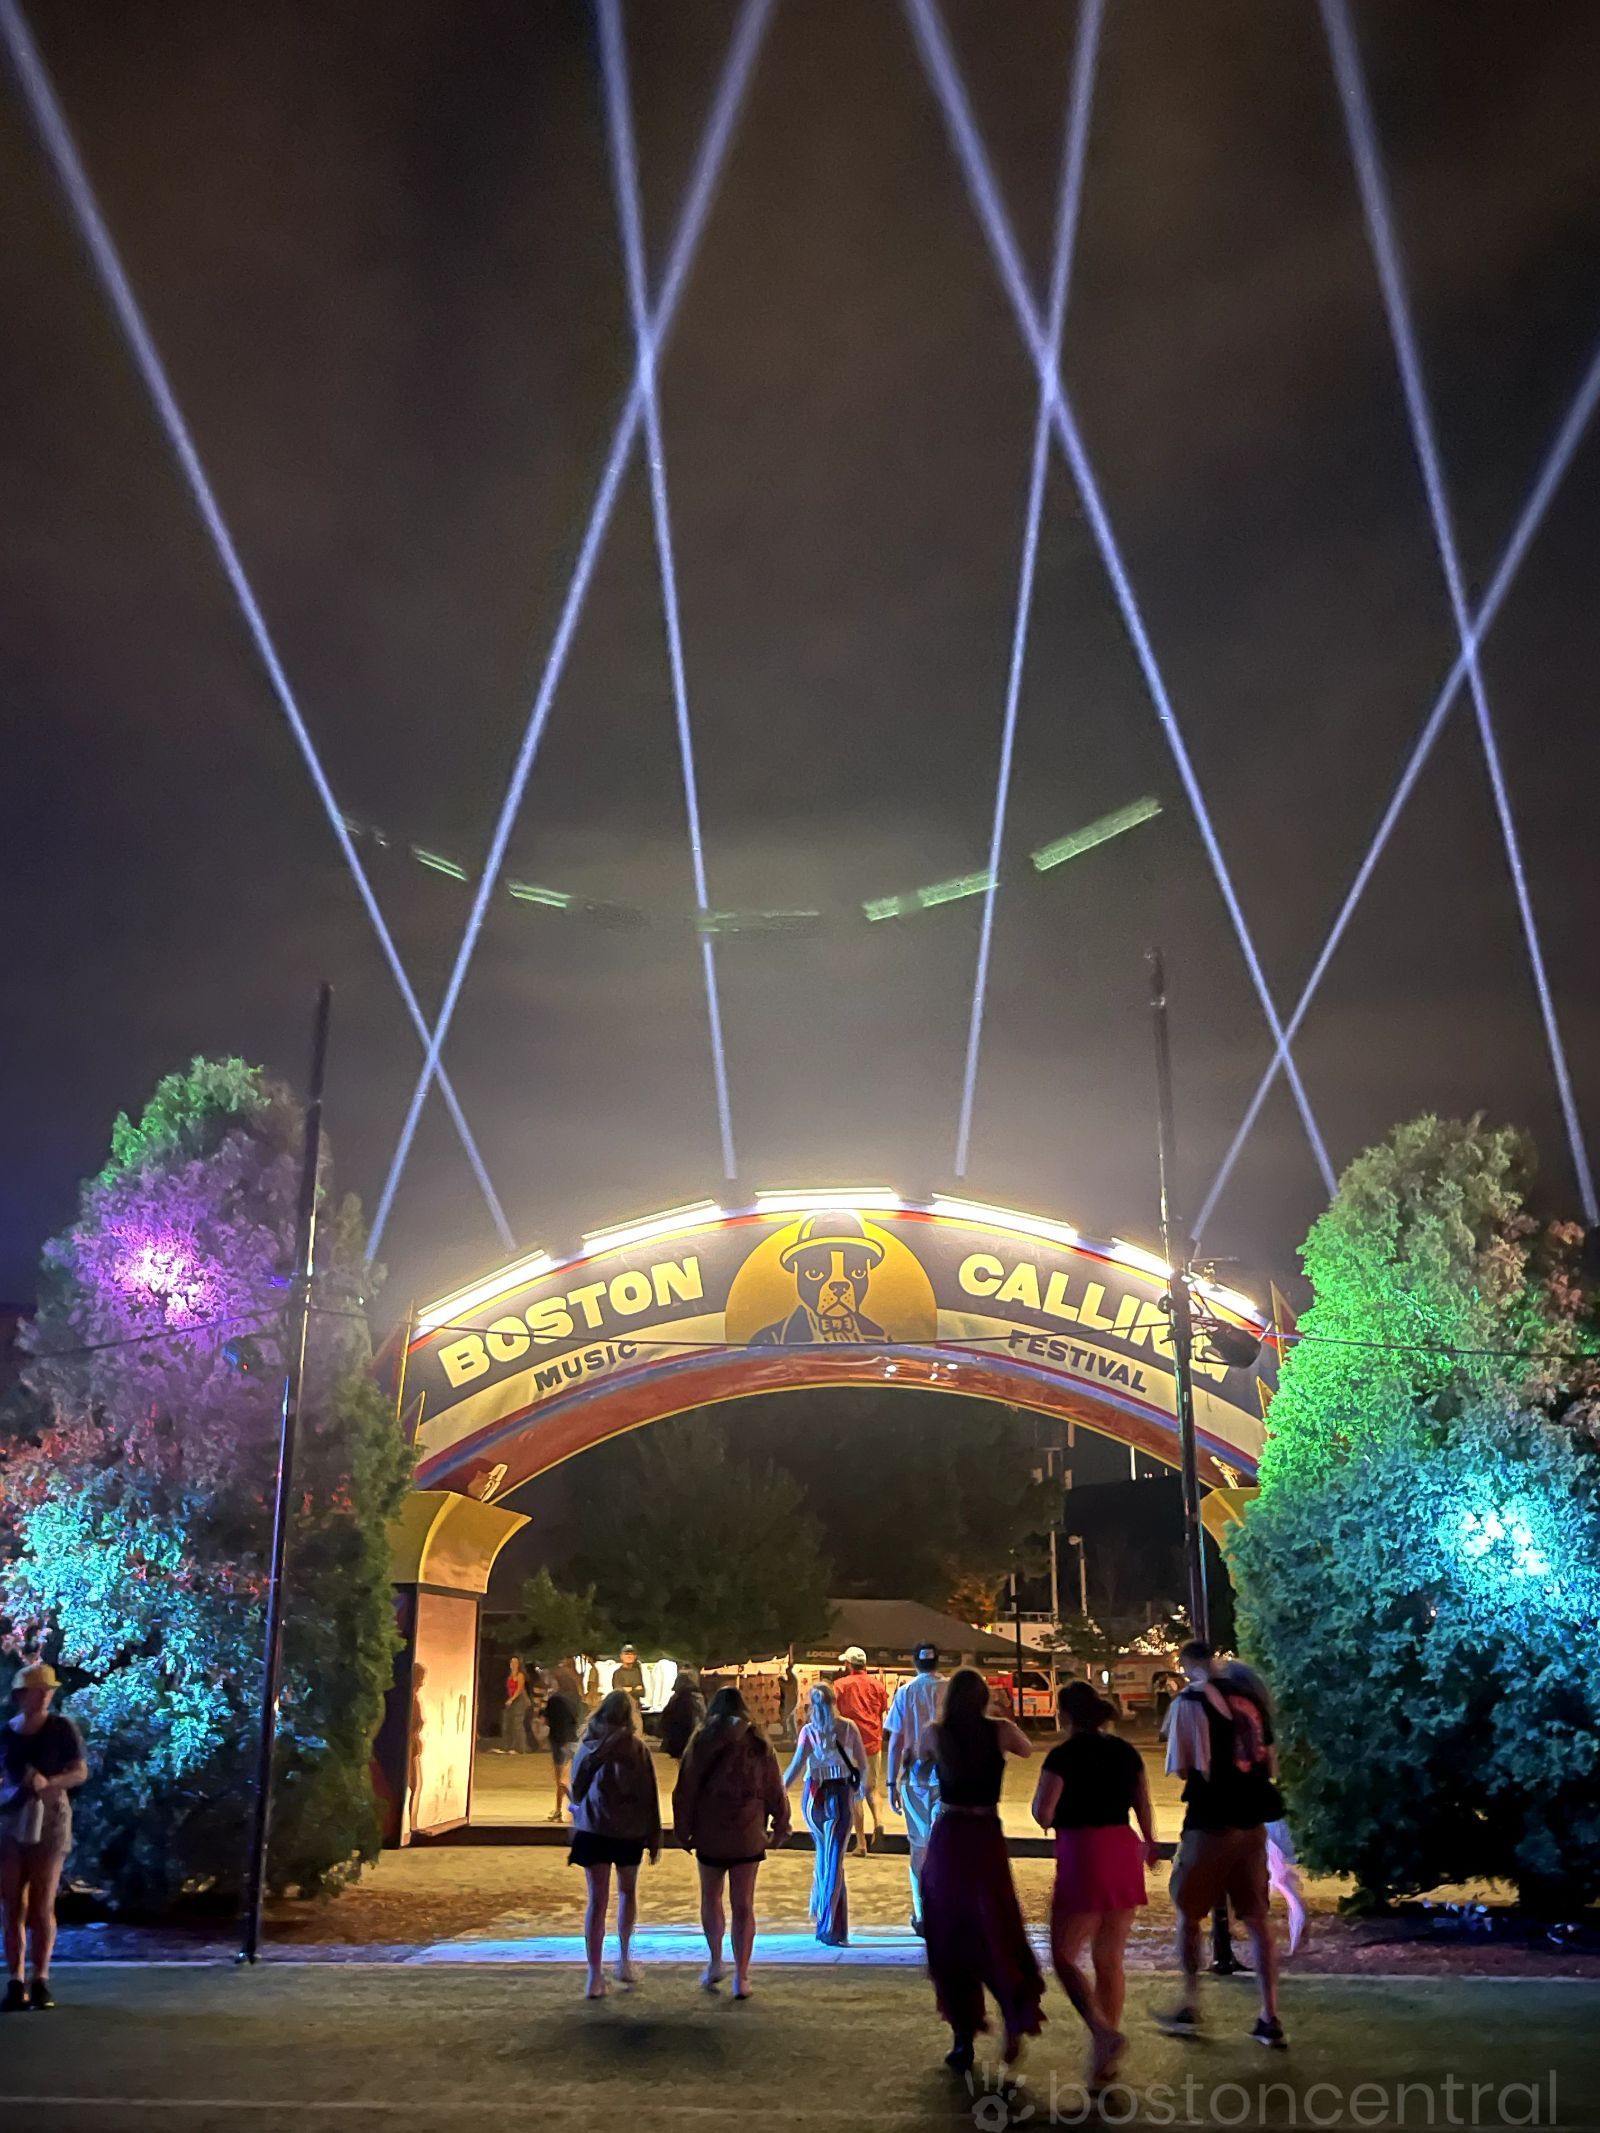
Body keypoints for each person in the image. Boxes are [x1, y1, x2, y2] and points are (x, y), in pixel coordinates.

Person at [1032, 1681, 1159, 2089]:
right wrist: (1151, 1841)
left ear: (1066, 1714)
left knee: (1064, 1955)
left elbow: (1043, 1812)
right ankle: (1103, 2064)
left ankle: (1102, 2032)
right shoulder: (1125, 1751)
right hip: (1124, 1848)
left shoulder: (1063, 1756)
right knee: (1109, 1958)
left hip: (1084, 1851)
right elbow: (1142, 1802)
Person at [1160, 1641, 1286, 2047]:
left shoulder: (1191, 1700)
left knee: (1189, 1912)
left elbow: (1184, 1768)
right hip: (1252, 1823)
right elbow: (1269, 1762)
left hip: (1210, 1822)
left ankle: (1190, 2003)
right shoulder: (1254, 1702)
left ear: (1187, 1665)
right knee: (1257, 1918)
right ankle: (1269, 2015)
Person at [922, 1667, 1043, 2072]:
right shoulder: (1000, 1730)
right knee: (997, 1926)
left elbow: (918, 1758)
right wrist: (1002, 1717)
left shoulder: (936, 1733)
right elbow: (1027, 1749)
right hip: (985, 1832)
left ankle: (963, 2035)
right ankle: (1012, 2016)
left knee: (949, 1930)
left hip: (950, 1834)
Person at [672, 1687, 791, 1998]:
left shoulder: (702, 1740)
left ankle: (715, 1961)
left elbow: (686, 1787)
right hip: (748, 1831)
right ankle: (742, 1975)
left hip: (710, 1830)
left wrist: (683, 1829)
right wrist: (780, 1824)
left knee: (711, 1898)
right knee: (744, 1904)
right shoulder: (759, 1742)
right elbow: (774, 1787)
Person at [1, 1663, 88, 2012]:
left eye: (47, 1691)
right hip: (11, 1821)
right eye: (37, 1691)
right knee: (12, 1904)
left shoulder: (61, 1729)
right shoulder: (7, 1733)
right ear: (21, 1695)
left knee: (42, 1903)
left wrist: (49, 1784)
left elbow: (79, 1771)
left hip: (50, 1819)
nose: (44, 1696)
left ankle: (40, 1978)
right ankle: (15, 1979)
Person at [567, 1690, 661, 1998]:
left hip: (593, 1829)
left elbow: (576, 1791)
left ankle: (594, 1975)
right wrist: (654, 1835)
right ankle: (623, 1959)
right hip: (628, 1832)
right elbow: (649, 1794)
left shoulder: (587, 1746)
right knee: (627, 1893)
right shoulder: (636, 1749)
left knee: (596, 1902)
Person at [1219, 1660, 1307, 1955]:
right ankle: (1289, 1926)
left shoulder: (1227, 1719)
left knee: (1255, 1879)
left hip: (1241, 1812)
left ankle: (1234, 1936)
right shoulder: (1261, 1720)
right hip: (1265, 1808)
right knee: (1276, 1877)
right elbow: (1272, 1768)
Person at [782, 1681, 865, 1947]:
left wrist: (778, 1794)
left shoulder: (809, 1731)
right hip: (838, 1795)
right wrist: (860, 1792)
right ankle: (830, 1925)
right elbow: (862, 1764)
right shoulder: (848, 1728)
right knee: (833, 1860)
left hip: (813, 1795)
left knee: (825, 1858)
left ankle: (829, 1923)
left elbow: (796, 1766)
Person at [885, 1641, 945, 1931]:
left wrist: (890, 1782)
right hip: (947, 1776)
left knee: (919, 1847)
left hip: (915, 1778)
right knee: (944, 1844)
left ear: (914, 1663)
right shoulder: (950, 1689)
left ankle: (922, 1912)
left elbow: (895, 1741)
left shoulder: (905, 1692)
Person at [832, 1647, 889, 1853]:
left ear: (848, 1664)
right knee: (872, 1788)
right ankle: (879, 1822)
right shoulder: (877, 1685)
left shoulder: (840, 1685)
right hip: (873, 1741)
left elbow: (834, 1714)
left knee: (854, 1792)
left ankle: (861, 1843)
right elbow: (882, 1711)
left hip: (850, 1745)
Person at [544, 1675, 581, 1822]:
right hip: (572, 1740)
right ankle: (563, 1809)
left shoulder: (554, 1700)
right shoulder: (574, 1699)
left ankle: (565, 1809)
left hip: (559, 1742)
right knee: (566, 1779)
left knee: (561, 1780)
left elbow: (547, 1719)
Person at [658, 1668, 707, 1761]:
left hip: (682, 1739)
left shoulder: (683, 1698)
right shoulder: (695, 1697)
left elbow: (666, 1718)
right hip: (684, 1739)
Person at [501, 1656, 532, 1755]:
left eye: (515, 1663)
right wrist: (509, 1699)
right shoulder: (510, 1676)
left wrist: (512, 1699)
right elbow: (509, 1689)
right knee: (508, 1722)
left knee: (517, 1723)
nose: (513, 1665)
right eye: (512, 1662)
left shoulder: (520, 1675)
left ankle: (520, 1748)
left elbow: (520, 1689)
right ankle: (508, 1746)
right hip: (512, 1700)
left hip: (520, 1700)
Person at [611, 1646, 646, 1721]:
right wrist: (635, 1689)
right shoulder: (618, 1673)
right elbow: (618, 1692)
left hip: (636, 1709)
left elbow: (642, 1692)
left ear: (635, 1656)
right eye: (626, 1654)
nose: (629, 1656)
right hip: (623, 1709)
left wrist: (630, 1689)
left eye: (632, 1654)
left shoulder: (637, 1672)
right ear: (621, 1656)